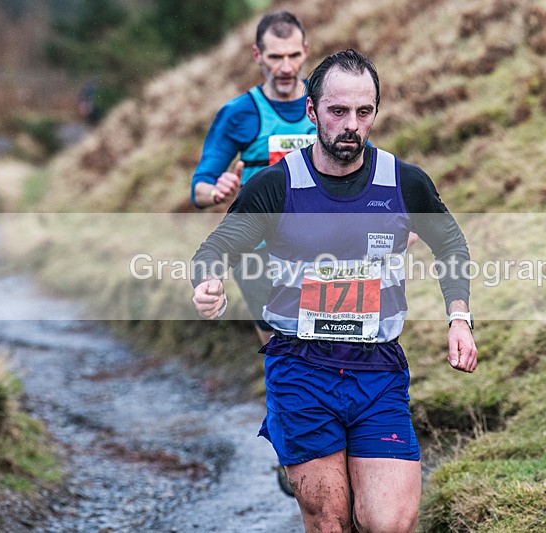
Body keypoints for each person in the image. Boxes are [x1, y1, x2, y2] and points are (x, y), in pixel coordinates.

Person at [191, 50, 477, 532]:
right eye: (338, 111)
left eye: (364, 113)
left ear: (375, 113)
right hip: (301, 370)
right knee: (330, 522)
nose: (351, 125)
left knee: (387, 524)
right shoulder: (275, 185)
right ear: (311, 111)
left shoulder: (404, 182)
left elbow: (450, 244)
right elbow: (214, 249)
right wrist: (208, 285)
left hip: (378, 370)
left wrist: (459, 318)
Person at [190, 11, 315, 346]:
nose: (286, 68)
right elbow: (198, 187)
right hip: (258, 253)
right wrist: (215, 192)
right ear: (258, 55)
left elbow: (369, 166)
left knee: (328, 352)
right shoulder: (239, 113)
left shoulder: (329, 105)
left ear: (305, 50)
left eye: (293, 56)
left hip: (322, 247)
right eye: (275, 57)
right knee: (282, 348)